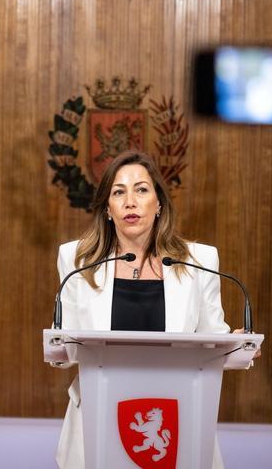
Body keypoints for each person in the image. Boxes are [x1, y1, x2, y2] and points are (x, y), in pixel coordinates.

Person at [52, 150, 230, 469]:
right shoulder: (77, 261)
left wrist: (238, 346)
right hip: (98, 416)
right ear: (107, 208)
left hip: (177, 417)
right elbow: (66, 351)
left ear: (159, 203)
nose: (130, 201)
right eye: (118, 192)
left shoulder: (200, 262)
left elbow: (215, 342)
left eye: (142, 189)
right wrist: (56, 347)